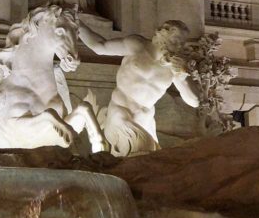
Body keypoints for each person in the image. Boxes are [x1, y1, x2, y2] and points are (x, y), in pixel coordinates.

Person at [78, 20, 200, 156]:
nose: (178, 46)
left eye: (182, 44)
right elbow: (100, 47)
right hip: (120, 112)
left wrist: (182, 76)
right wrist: (77, 24)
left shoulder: (175, 68)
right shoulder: (137, 45)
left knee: (150, 165)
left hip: (145, 119)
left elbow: (194, 102)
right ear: (162, 35)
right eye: (175, 40)